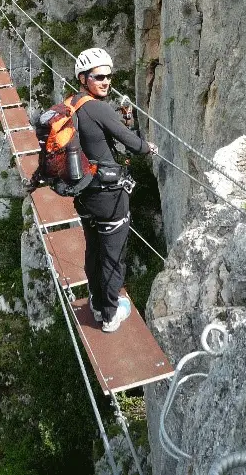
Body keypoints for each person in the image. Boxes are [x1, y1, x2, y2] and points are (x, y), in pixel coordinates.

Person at [72, 48, 157, 333]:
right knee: (112, 255)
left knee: (94, 251)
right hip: (108, 197)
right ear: (84, 78)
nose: (106, 82)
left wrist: (125, 124)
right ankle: (109, 315)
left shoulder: (72, 105)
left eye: (109, 76)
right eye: (99, 77)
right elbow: (132, 144)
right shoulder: (99, 108)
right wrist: (147, 146)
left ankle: (97, 304)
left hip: (84, 195)